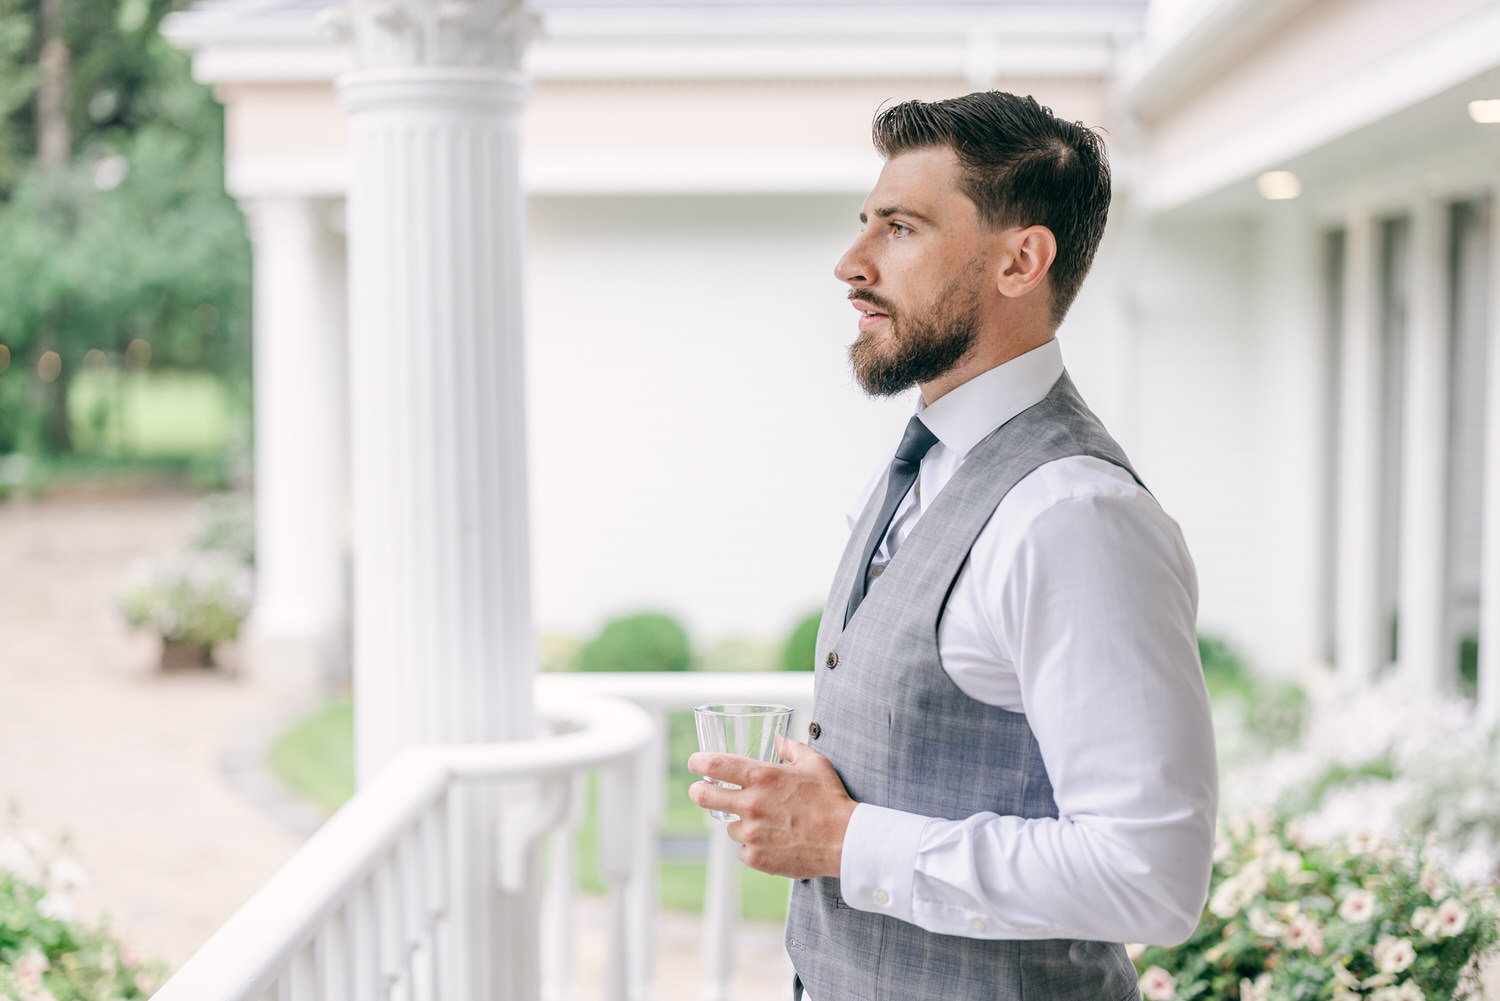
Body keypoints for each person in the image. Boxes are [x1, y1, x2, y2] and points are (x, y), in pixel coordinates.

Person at [688, 91, 1217, 1001]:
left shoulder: (1074, 513)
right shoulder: (917, 468)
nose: (852, 264)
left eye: (899, 228)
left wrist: (848, 839)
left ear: (1021, 259)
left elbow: (1150, 873)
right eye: (866, 224)